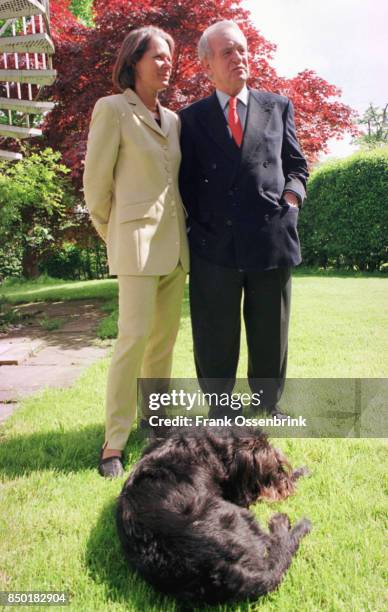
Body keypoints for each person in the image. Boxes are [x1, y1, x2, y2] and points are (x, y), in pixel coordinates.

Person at [179, 20, 308, 418]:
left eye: (242, 49)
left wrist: (291, 198)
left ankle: (268, 404)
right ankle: (220, 409)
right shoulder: (190, 118)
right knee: (214, 332)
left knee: (270, 330)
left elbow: (297, 166)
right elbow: (183, 181)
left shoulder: (277, 105)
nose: (239, 58)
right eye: (227, 52)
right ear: (207, 65)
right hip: (213, 244)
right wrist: (199, 225)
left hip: (270, 236)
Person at [83, 26, 189, 477]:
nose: (167, 64)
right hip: (135, 247)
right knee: (132, 341)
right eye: (158, 57)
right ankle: (114, 443)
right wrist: (116, 234)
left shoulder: (174, 119)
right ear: (134, 61)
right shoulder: (112, 110)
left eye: (170, 57)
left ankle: (157, 423)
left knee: (162, 344)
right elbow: (96, 186)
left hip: (175, 248)